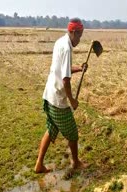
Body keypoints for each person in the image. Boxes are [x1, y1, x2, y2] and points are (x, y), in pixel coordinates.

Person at [35, 18, 88, 173]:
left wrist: (79, 68)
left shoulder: (61, 42)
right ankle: (76, 162)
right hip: (58, 99)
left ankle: (39, 164)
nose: (79, 39)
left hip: (49, 94)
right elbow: (65, 80)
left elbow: (63, 69)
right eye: (79, 35)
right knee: (72, 133)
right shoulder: (66, 48)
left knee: (51, 129)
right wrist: (72, 101)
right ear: (73, 32)